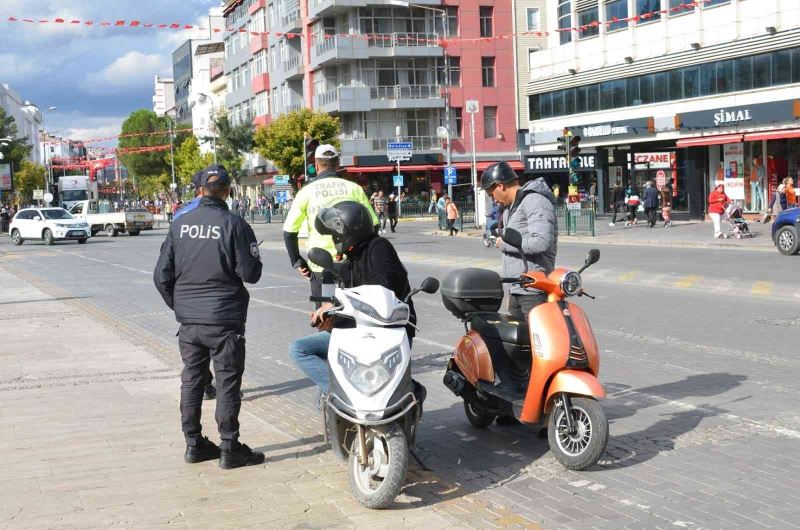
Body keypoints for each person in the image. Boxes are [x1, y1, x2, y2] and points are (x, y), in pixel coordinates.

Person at [153, 164, 265, 470]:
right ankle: (229, 448)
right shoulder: (235, 224)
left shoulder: (180, 224)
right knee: (227, 383)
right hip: (225, 319)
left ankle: (194, 444)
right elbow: (251, 273)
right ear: (228, 191)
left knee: (192, 380)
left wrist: (182, 308)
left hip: (190, 322)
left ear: (200, 191)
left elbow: (161, 276)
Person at [288, 201, 415, 397]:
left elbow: (379, 294)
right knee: (299, 349)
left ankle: (344, 393)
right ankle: (338, 394)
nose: (334, 239)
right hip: (356, 332)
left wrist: (337, 313)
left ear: (348, 230)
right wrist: (329, 312)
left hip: (387, 332)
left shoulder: (378, 249)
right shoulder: (353, 257)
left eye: (335, 234)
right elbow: (346, 293)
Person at [283, 144, 378, 304]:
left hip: (321, 267)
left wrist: (297, 261)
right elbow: (373, 225)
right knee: (354, 316)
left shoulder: (306, 192)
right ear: (338, 164)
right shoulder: (354, 189)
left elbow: (289, 232)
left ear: (317, 166)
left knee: (326, 317)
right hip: (352, 266)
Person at [480, 161, 557, 321]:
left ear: (500, 186)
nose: (493, 200)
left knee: (538, 343)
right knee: (518, 344)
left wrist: (503, 244)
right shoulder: (510, 209)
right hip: (517, 289)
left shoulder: (534, 201)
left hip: (534, 290)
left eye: (491, 194)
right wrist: (512, 290)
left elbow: (541, 241)